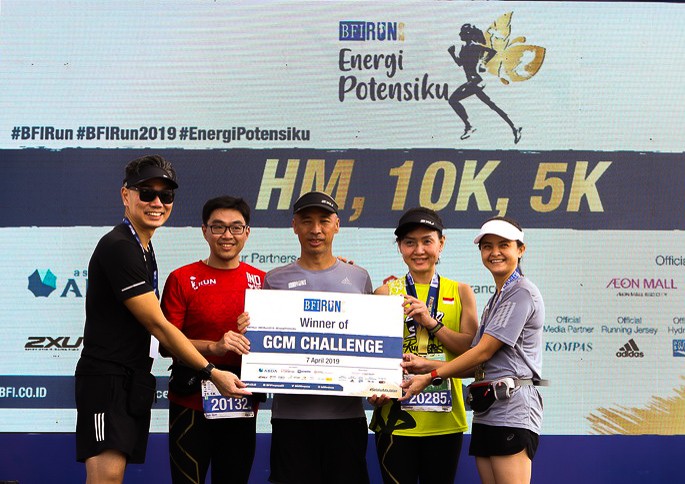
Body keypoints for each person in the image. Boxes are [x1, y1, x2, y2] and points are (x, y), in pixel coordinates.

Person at [74, 155, 251, 484]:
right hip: (107, 378)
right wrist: (212, 371)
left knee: (113, 475)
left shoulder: (142, 247)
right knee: (105, 477)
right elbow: (158, 326)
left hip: (129, 378)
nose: (157, 203)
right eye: (147, 193)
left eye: (166, 195)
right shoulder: (120, 246)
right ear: (125, 195)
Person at [400, 216, 544, 484]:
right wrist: (426, 365)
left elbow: (483, 352)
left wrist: (430, 377)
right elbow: (477, 366)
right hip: (488, 410)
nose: (495, 252)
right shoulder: (497, 298)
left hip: (511, 411)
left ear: (521, 249)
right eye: (487, 246)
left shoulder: (521, 292)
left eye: (504, 245)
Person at [264, 191, 374, 484]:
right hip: (291, 418)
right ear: (294, 226)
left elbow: (370, 343)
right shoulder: (274, 279)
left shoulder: (359, 277)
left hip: (346, 417)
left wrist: (378, 383)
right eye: (306, 221)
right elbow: (266, 344)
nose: (316, 230)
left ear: (337, 225)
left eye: (324, 221)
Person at [368, 207, 478, 483]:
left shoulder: (461, 291)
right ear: (400, 247)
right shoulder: (384, 293)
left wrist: (431, 322)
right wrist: (373, 388)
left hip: (445, 422)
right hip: (394, 421)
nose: (419, 250)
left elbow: (471, 352)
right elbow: (372, 354)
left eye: (427, 241)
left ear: (441, 244)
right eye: (410, 242)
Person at [160, 196, 265, 483]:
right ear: (205, 231)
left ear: (247, 232)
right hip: (190, 401)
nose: (227, 235)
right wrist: (213, 347)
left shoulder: (263, 282)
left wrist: (340, 267)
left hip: (242, 403)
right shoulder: (182, 278)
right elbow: (166, 345)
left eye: (236, 227)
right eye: (218, 227)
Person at [448, 23, 522, 143]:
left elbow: (492, 51)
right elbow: (460, 63)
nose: (460, 35)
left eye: (462, 33)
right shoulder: (464, 48)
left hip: (476, 81)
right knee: (492, 105)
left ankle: (469, 126)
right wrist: (452, 54)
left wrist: (483, 62)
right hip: (472, 82)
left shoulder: (475, 47)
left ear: (468, 34)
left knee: (453, 100)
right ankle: (514, 127)